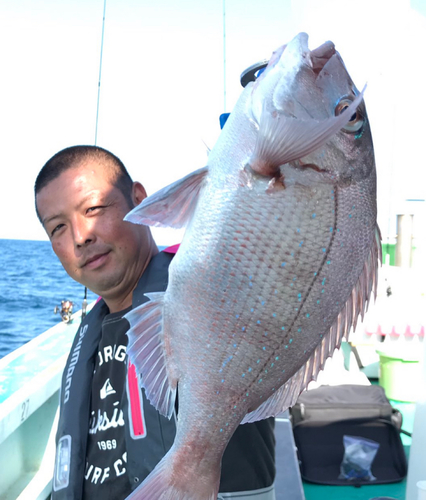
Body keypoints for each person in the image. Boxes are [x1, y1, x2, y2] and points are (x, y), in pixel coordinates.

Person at [35, 145, 276, 500]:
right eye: (58, 228)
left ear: (139, 200)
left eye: (94, 209)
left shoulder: (210, 297)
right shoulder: (92, 328)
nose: (80, 236)